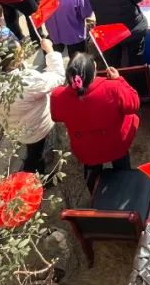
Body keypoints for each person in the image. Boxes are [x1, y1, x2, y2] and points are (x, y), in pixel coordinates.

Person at [50, 52, 139, 189]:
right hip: (115, 142)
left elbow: (56, 117)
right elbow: (133, 104)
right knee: (121, 163)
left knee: (92, 169)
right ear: (94, 69)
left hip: (86, 148)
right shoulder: (113, 88)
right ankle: (124, 183)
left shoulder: (58, 96)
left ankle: (93, 188)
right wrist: (119, 80)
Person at [0, 36, 64, 175]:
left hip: (15, 128)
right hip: (39, 127)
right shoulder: (27, 82)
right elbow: (58, 77)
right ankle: (39, 176)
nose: (23, 53)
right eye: (20, 52)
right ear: (15, 60)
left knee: (33, 149)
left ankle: (34, 169)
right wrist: (50, 51)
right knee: (39, 153)